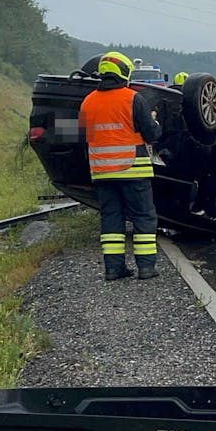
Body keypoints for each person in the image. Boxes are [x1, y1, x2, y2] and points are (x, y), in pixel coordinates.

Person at [78, 51, 162, 281]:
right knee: (143, 216)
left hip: (102, 172)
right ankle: (146, 267)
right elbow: (152, 133)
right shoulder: (132, 98)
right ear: (125, 73)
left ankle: (113, 269)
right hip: (132, 169)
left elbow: (83, 136)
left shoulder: (87, 102)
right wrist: (154, 119)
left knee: (111, 218)